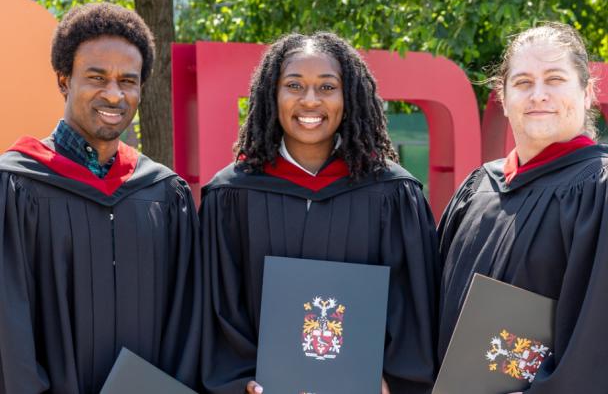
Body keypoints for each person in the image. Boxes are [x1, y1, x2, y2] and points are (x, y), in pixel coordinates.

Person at [199, 32, 438, 394]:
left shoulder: (392, 192)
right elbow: (219, 307)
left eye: (327, 87)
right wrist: (243, 381)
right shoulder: (232, 194)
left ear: (348, 96)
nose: (310, 100)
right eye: (294, 85)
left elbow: (412, 305)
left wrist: (389, 379)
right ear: (272, 94)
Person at [0, 3, 201, 393]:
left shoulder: (162, 194)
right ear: (64, 80)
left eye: (128, 80)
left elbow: (186, 324)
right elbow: (8, 332)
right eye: (96, 77)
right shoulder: (18, 187)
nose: (114, 94)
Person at [438, 22, 608, 392]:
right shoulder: (479, 189)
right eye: (523, 82)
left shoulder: (600, 191)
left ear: (586, 92)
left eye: (555, 79)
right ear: (503, 95)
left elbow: (598, 337)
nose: (538, 95)